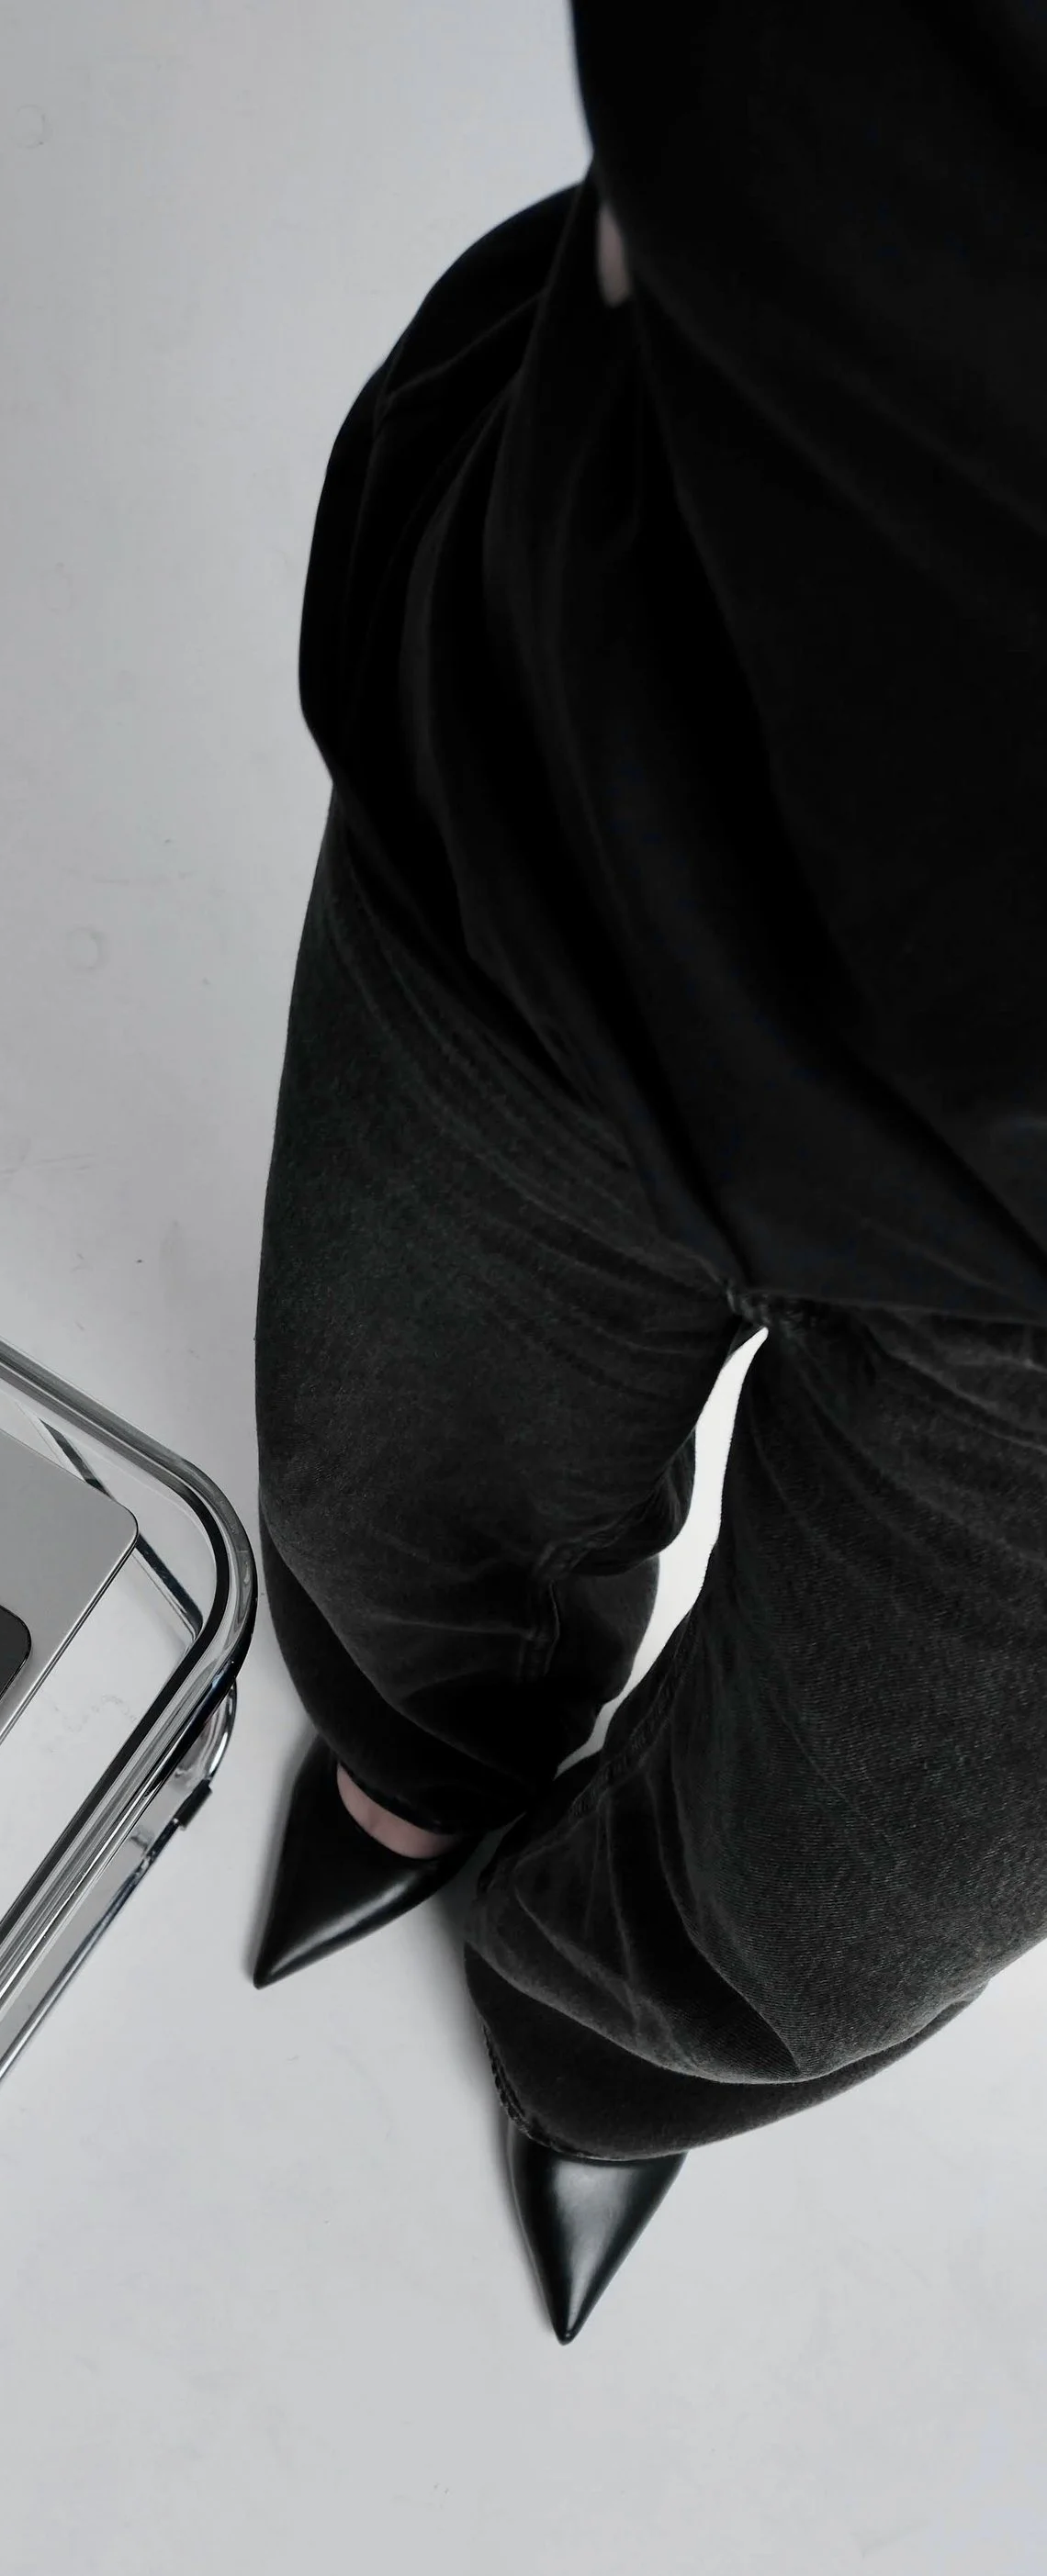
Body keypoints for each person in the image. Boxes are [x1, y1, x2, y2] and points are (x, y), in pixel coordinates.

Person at [251, 3, 1047, 2335]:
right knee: (386, 1526)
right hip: (589, 826)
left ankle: (585, 2058)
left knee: (803, 1929)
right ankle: (412, 1781)